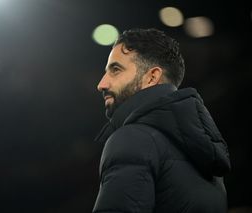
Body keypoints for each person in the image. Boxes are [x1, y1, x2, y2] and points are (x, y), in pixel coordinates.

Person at [93, 28, 231, 213]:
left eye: (115, 70)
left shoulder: (133, 138)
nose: (101, 84)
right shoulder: (205, 152)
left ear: (151, 77)